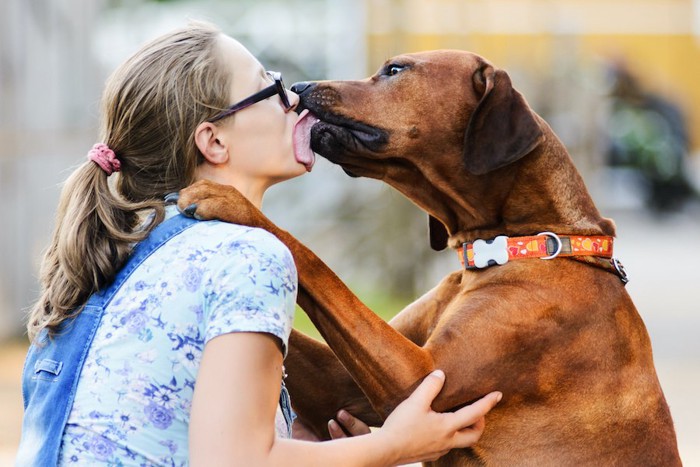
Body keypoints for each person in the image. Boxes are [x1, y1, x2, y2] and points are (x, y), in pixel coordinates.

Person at [17, 21, 501, 466]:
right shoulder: (247, 255)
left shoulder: (109, 257)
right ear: (214, 142)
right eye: (268, 87)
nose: (294, 98)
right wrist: (396, 445)